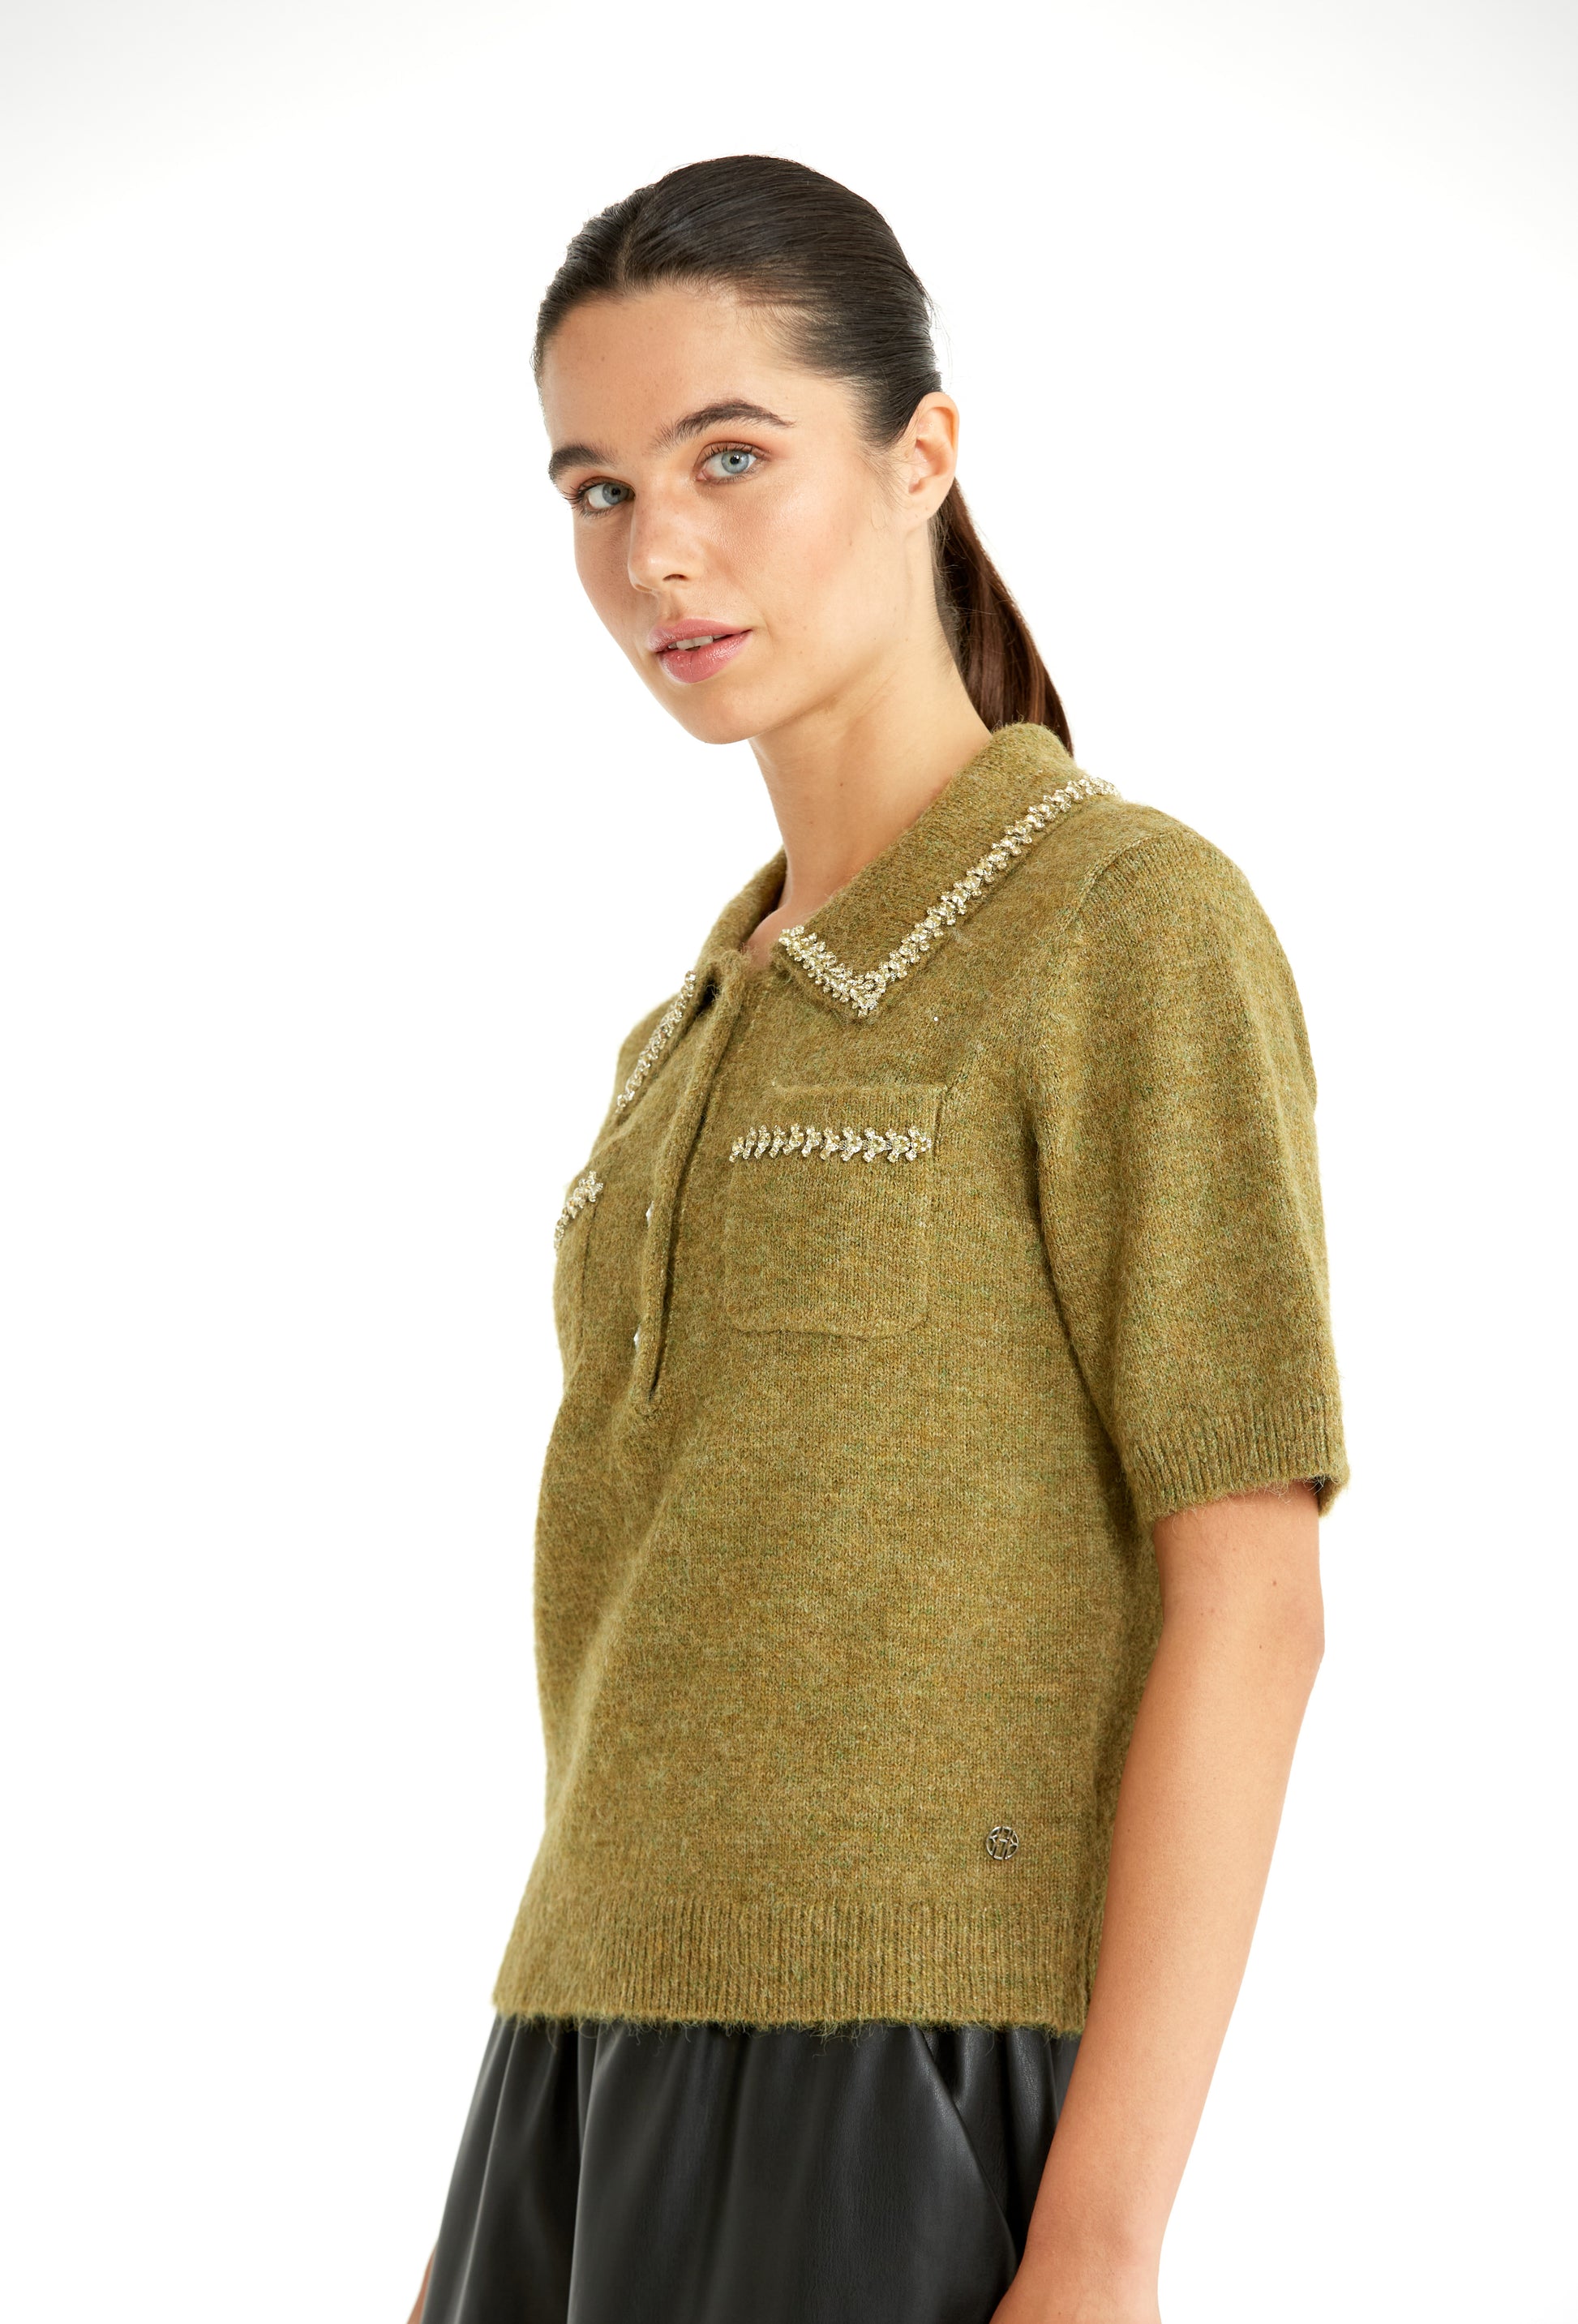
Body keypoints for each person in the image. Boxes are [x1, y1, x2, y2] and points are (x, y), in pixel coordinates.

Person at [406, 154, 1346, 2324]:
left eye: (729, 457)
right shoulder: (687, 1030)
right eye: (594, 489)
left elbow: (1254, 1589)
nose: (655, 550)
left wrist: (1098, 2238)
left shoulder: (1120, 925)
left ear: (922, 452)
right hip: (579, 2056)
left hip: (909, 2082)